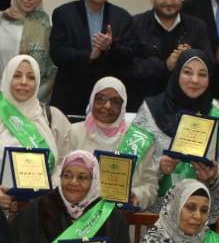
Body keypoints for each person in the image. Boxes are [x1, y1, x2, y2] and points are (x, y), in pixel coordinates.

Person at [129, 50, 219, 219]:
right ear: (177, 73)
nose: (194, 80)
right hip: (155, 212)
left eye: (202, 74)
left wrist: (215, 175)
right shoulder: (150, 109)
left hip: (201, 216)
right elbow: (134, 158)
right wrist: (158, 167)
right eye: (187, 72)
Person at [0, 55, 72, 210]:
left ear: (38, 82)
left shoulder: (53, 117)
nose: (23, 82)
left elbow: (66, 163)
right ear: (7, 77)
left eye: (31, 77)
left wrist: (49, 191)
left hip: (39, 209)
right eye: (17, 75)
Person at [48, 0, 135, 116]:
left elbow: (129, 57)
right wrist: (89, 55)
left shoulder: (123, 17)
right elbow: (57, 54)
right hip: (70, 98)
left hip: (107, 103)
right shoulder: (64, 13)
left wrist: (110, 47)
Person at [68, 77, 161, 209]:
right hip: (78, 214)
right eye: (100, 98)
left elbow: (150, 185)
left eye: (115, 101)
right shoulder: (73, 133)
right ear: (92, 100)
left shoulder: (138, 139)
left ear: (123, 106)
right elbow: (59, 175)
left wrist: (136, 196)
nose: (107, 106)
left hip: (122, 215)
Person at [128, 0, 212, 111]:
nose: (169, 1)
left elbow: (209, 65)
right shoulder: (135, 24)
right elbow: (127, 67)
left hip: (186, 108)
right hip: (143, 106)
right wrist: (165, 65)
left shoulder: (197, 26)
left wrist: (191, 57)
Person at [0, 0, 56, 104]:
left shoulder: (44, 26)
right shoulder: (0, 20)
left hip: (32, 100)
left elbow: (50, 71)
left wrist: (32, 98)